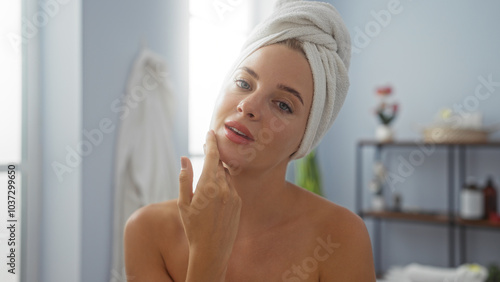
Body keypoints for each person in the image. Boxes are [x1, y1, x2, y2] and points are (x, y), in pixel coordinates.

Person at [124, 1, 376, 281]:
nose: (248, 105)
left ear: (305, 139)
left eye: (283, 105)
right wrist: (207, 254)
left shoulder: (340, 237)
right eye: (244, 83)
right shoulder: (147, 231)